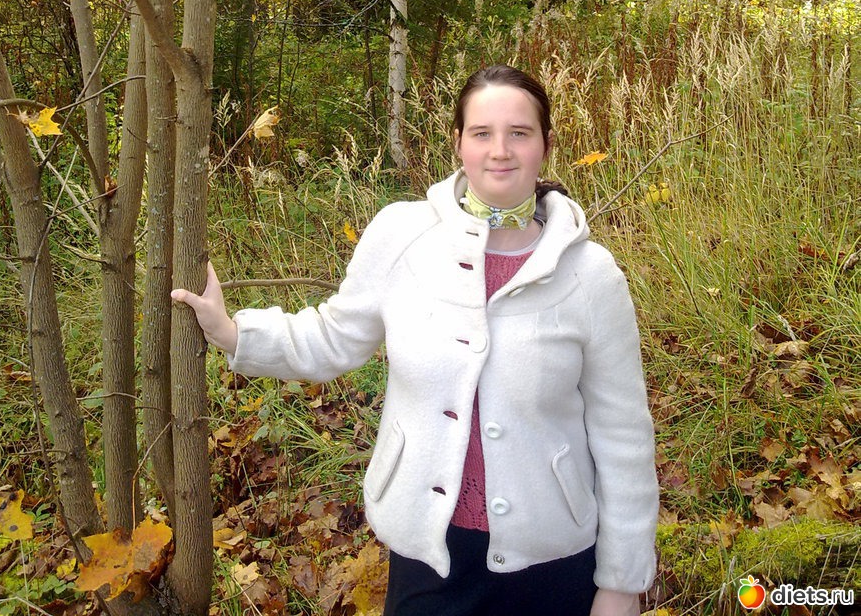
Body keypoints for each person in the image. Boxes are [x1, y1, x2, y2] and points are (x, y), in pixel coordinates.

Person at [173, 64, 658, 616]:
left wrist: (622, 584)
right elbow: (334, 336)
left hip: (555, 560)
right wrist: (233, 331)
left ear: (545, 144)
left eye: (519, 133)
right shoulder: (402, 236)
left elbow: (623, 436)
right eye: (482, 133)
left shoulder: (591, 275)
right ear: (458, 143)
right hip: (428, 553)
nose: (500, 150)